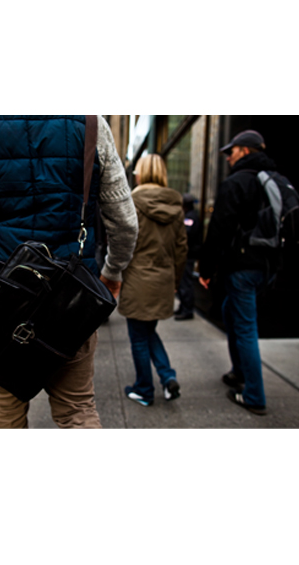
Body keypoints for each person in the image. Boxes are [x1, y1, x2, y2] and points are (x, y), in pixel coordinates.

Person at [0, 115, 137, 429]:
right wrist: (113, 271)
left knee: (8, 415)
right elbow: (125, 223)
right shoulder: (91, 124)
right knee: (77, 411)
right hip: (70, 301)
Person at [198, 129, 277, 416]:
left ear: (245, 150)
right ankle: (238, 372)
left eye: (231, 151)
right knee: (230, 309)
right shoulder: (274, 182)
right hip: (266, 266)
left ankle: (254, 395)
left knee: (245, 327)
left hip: (242, 266)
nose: (228, 157)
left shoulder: (237, 183)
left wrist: (205, 268)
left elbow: (219, 228)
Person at [117, 154, 188, 407]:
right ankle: (168, 377)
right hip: (163, 279)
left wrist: (114, 273)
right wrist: (175, 282)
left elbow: (124, 242)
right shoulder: (176, 205)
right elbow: (181, 249)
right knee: (149, 332)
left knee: (138, 337)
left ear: (141, 173)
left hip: (137, 279)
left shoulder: (132, 201)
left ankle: (144, 389)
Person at [174, 193, 202, 320]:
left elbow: (186, 235)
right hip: (186, 254)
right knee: (182, 282)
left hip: (188, 255)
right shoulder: (189, 216)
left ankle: (187, 309)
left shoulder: (190, 218)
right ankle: (183, 306)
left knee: (185, 283)